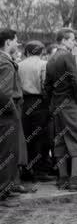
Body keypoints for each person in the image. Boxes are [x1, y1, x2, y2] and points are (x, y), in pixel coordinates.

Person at [44, 29, 77, 191]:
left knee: (60, 140)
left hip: (57, 104)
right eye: (72, 40)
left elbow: (47, 85)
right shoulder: (69, 56)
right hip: (71, 103)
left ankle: (63, 178)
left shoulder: (51, 59)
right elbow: (76, 80)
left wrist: (52, 104)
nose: (75, 43)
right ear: (63, 41)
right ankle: (75, 179)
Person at [0, 29, 33, 194]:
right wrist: (12, 112)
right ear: (7, 43)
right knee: (7, 152)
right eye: (15, 41)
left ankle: (10, 184)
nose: (17, 44)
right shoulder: (5, 63)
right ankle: (4, 192)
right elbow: (4, 93)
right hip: (7, 114)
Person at [17, 41, 53, 181]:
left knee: (27, 136)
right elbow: (45, 85)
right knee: (40, 137)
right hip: (39, 102)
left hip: (24, 102)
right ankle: (38, 170)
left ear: (27, 51)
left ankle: (26, 168)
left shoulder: (19, 64)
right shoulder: (43, 64)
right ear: (41, 51)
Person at [0, 89, 20, 207]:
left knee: (7, 155)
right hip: (5, 120)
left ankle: (5, 190)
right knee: (6, 156)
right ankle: (2, 192)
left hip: (6, 119)